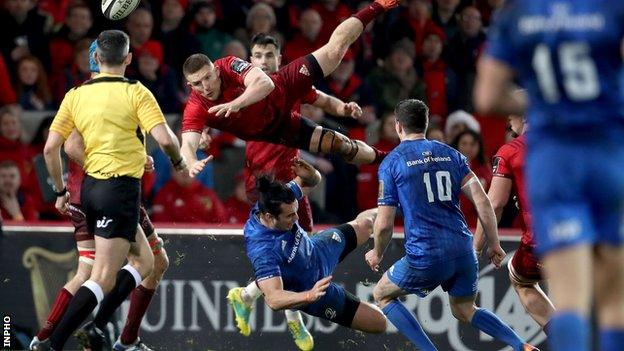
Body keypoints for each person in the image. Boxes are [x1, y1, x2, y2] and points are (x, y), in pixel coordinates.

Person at [474, 2, 624, 350]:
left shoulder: (518, 14)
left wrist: (547, 101)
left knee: (568, 297)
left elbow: (487, 96)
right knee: (614, 294)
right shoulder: (609, 8)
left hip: (554, 162)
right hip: (604, 153)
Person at [41, 30, 186, 351]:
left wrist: (59, 190)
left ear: (96, 58)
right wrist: (179, 162)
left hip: (90, 190)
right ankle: (53, 343)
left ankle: (101, 328)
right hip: (118, 189)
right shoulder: (136, 91)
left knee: (147, 261)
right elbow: (166, 139)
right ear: (129, 59)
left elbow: (51, 149)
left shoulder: (76, 95)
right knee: (101, 277)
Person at [225, 32, 365, 351]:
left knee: (305, 246)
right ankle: (293, 319)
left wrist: (344, 108)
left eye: (269, 55)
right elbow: (214, 111)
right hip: (265, 184)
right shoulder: (242, 89)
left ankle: (246, 295)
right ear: (249, 60)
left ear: (280, 59)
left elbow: (323, 100)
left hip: (293, 176)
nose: (263, 61)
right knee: (292, 248)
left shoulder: (291, 83)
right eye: (257, 55)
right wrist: (203, 136)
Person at [365, 99, 538, 351]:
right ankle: (520, 344)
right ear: (425, 124)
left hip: (426, 255)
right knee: (465, 309)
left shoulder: (392, 162)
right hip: (463, 250)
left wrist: (377, 252)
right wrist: (494, 243)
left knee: (381, 294)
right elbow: (483, 202)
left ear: (399, 126)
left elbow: (383, 225)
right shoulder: (452, 154)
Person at [180, 0, 400, 178]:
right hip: (277, 132)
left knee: (333, 52)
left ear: (216, 71)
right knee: (341, 146)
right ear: (190, 85)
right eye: (197, 83)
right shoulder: (195, 107)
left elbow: (265, 83)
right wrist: (191, 162)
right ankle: (388, 158)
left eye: (208, 78)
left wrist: (236, 103)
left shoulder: (228, 65)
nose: (205, 86)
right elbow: (187, 143)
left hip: (281, 88)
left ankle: (378, 5)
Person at [244, 157, 387, 340]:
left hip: (316, 250)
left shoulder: (279, 197)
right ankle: (266, 303)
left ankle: (396, 207)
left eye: (296, 211)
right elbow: (273, 299)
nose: (296, 218)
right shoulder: (263, 249)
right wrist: (308, 296)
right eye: (289, 216)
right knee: (379, 323)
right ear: (269, 217)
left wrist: (309, 172)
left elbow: (314, 179)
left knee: (366, 224)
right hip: (312, 287)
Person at [473, 114, 555, 331]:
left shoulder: (511, 151)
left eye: (509, 117)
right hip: (591, 233)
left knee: (522, 280)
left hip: (542, 241)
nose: (508, 123)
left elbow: (495, 204)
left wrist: (477, 248)